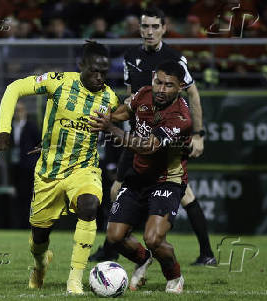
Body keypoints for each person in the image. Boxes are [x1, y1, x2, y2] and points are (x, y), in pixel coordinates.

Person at [89, 7, 216, 266]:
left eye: (154, 27)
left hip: (162, 139)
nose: (148, 32)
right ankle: (118, 247)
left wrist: (199, 134)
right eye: (144, 26)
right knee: (117, 191)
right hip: (136, 137)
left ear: (163, 28)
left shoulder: (174, 59)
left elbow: (193, 94)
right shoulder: (130, 56)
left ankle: (205, 253)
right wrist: (113, 117)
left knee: (184, 193)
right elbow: (129, 99)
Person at [0, 41, 119, 294]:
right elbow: (14, 88)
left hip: (85, 170)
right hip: (48, 173)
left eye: (104, 73)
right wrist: (4, 130)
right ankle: (40, 265)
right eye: (94, 71)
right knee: (38, 239)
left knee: (90, 205)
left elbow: (121, 120)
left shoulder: (110, 98)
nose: (99, 77)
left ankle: (75, 279)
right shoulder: (58, 81)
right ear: (81, 65)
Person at [89, 60, 192, 293]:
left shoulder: (181, 117)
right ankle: (143, 259)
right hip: (138, 176)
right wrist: (109, 116)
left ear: (181, 87)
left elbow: (147, 147)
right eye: (158, 82)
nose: (161, 89)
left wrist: (110, 129)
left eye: (168, 85)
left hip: (167, 179)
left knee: (154, 238)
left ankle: (174, 276)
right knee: (114, 237)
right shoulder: (144, 93)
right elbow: (127, 111)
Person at [9, 101, 41, 229]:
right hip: (16, 166)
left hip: (29, 167)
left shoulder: (31, 126)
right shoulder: (11, 127)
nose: (18, 113)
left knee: (30, 195)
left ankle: (31, 223)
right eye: (16, 111)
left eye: (20, 110)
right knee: (19, 195)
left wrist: (33, 158)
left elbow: (39, 144)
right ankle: (20, 223)